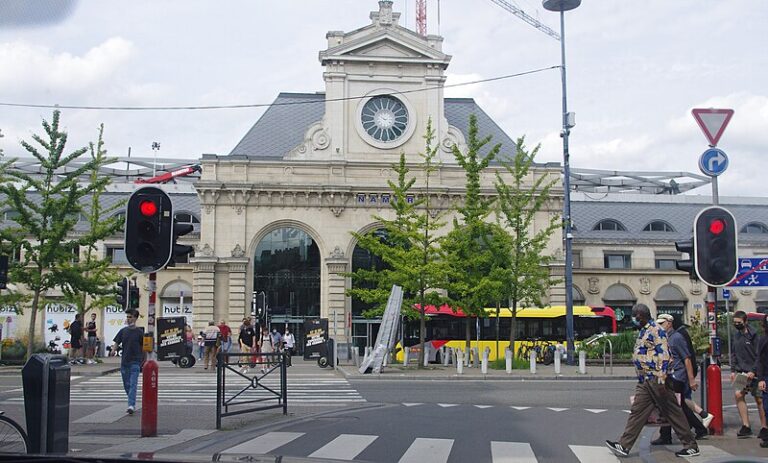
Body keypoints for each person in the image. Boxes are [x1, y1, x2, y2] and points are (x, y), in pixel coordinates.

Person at [606, 303, 699, 458]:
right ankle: (624, 445)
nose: (634, 319)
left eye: (635, 316)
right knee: (637, 411)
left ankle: (690, 445)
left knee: (673, 411)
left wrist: (662, 378)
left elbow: (664, 355)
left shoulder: (657, 330)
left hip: (656, 378)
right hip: (645, 379)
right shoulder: (645, 330)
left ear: (641, 315)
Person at [651, 314, 709, 444]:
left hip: (678, 377)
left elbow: (687, 359)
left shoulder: (677, 338)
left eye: (662, 323)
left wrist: (691, 380)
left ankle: (668, 435)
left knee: (674, 405)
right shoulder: (666, 337)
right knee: (678, 405)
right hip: (671, 375)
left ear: (670, 323)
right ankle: (696, 429)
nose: (660, 326)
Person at [730, 310, 767, 439]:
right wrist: (733, 370)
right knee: (738, 394)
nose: (736, 325)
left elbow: (759, 355)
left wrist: (754, 370)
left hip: (755, 372)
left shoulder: (754, 335)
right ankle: (746, 426)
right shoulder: (736, 336)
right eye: (734, 323)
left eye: (739, 322)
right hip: (742, 371)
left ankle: (764, 427)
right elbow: (734, 353)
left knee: (759, 399)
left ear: (745, 322)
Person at [111, 309, 144, 415]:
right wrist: (113, 350)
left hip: (135, 361)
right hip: (125, 361)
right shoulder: (123, 331)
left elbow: (144, 347)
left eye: (131, 317)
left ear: (135, 318)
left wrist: (144, 360)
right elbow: (117, 342)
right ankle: (131, 399)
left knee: (133, 384)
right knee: (127, 384)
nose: (129, 319)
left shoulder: (139, 332)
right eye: (128, 317)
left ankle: (131, 405)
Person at [756, 314, 768, 448]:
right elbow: (759, 359)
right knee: (767, 407)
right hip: (766, 376)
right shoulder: (763, 339)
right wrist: (761, 379)